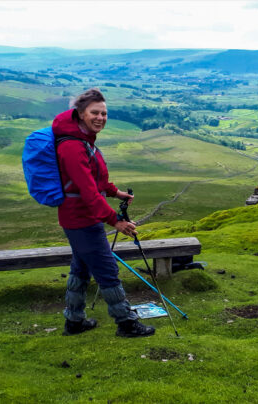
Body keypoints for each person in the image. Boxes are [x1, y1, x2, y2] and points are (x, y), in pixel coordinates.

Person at [53, 88, 155, 338]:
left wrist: (116, 192)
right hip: (81, 219)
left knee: (81, 269)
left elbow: (95, 181)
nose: (100, 117)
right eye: (94, 113)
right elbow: (87, 192)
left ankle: (74, 321)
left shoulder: (84, 141)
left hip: (81, 218)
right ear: (79, 113)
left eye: (104, 113)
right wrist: (115, 220)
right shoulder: (72, 147)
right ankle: (126, 323)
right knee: (107, 270)